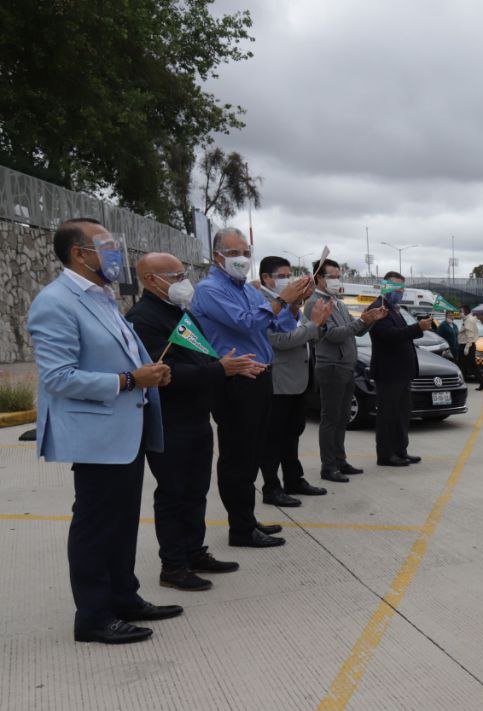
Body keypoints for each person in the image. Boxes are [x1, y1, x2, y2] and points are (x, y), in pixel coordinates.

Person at [28, 218, 179, 644]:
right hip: (96, 436)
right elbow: (58, 377)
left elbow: (121, 356)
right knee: (96, 526)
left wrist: (151, 376)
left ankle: (124, 597)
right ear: (80, 253)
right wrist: (131, 381)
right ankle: (93, 617)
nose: (118, 255)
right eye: (108, 246)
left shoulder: (101, 298)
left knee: (122, 521)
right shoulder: (56, 302)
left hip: (125, 431)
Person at [127, 252, 258, 592]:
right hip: (170, 420)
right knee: (173, 492)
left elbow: (201, 358)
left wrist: (228, 367)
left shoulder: (178, 311)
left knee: (196, 491)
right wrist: (220, 370)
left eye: (184, 273)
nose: (183, 281)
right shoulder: (144, 319)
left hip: (197, 415)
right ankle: (173, 566)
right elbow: (164, 374)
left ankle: (194, 552)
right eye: (175, 275)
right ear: (151, 280)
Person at [192, 228, 309, 548]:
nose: (242, 259)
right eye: (234, 254)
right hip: (235, 380)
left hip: (260, 376)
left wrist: (294, 305)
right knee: (237, 457)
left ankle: (247, 518)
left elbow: (278, 324)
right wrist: (280, 301)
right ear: (217, 256)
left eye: (246, 252)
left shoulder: (247, 289)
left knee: (254, 452)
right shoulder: (209, 290)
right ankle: (240, 529)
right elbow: (245, 322)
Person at [257, 256, 332, 507]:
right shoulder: (263, 303)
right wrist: (314, 324)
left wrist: (297, 306)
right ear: (267, 278)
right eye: (283, 275)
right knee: (273, 438)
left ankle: (293, 479)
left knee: (292, 434)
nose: (289, 280)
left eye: (291, 275)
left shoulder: (290, 304)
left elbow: (297, 333)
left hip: (298, 380)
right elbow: (281, 340)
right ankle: (271, 487)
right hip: (278, 382)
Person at [306, 259, 387, 483]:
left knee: (342, 418)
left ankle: (340, 460)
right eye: (332, 276)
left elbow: (356, 331)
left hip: (345, 366)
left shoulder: (338, 302)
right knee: (330, 418)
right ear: (319, 278)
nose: (337, 280)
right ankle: (328, 466)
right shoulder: (315, 303)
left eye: (339, 276)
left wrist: (369, 320)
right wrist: (361, 321)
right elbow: (332, 334)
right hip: (330, 366)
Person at [369, 272, 433, 466]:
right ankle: (386, 455)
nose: (400, 292)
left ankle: (400, 450)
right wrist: (417, 328)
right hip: (388, 373)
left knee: (401, 414)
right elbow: (390, 335)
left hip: (401, 373)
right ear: (385, 287)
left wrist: (419, 329)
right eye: (396, 288)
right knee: (388, 415)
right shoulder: (378, 309)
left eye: (402, 289)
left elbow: (403, 336)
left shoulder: (395, 309)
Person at [458, 304, 483, 391]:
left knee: (468, 366)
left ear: (465, 312)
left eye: (461, 311)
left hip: (467, 345)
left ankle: (481, 383)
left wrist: (467, 347)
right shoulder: (468, 319)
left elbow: (470, 335)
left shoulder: (469, 320)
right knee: (466, 366)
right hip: (467, 345)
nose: (459, 313)